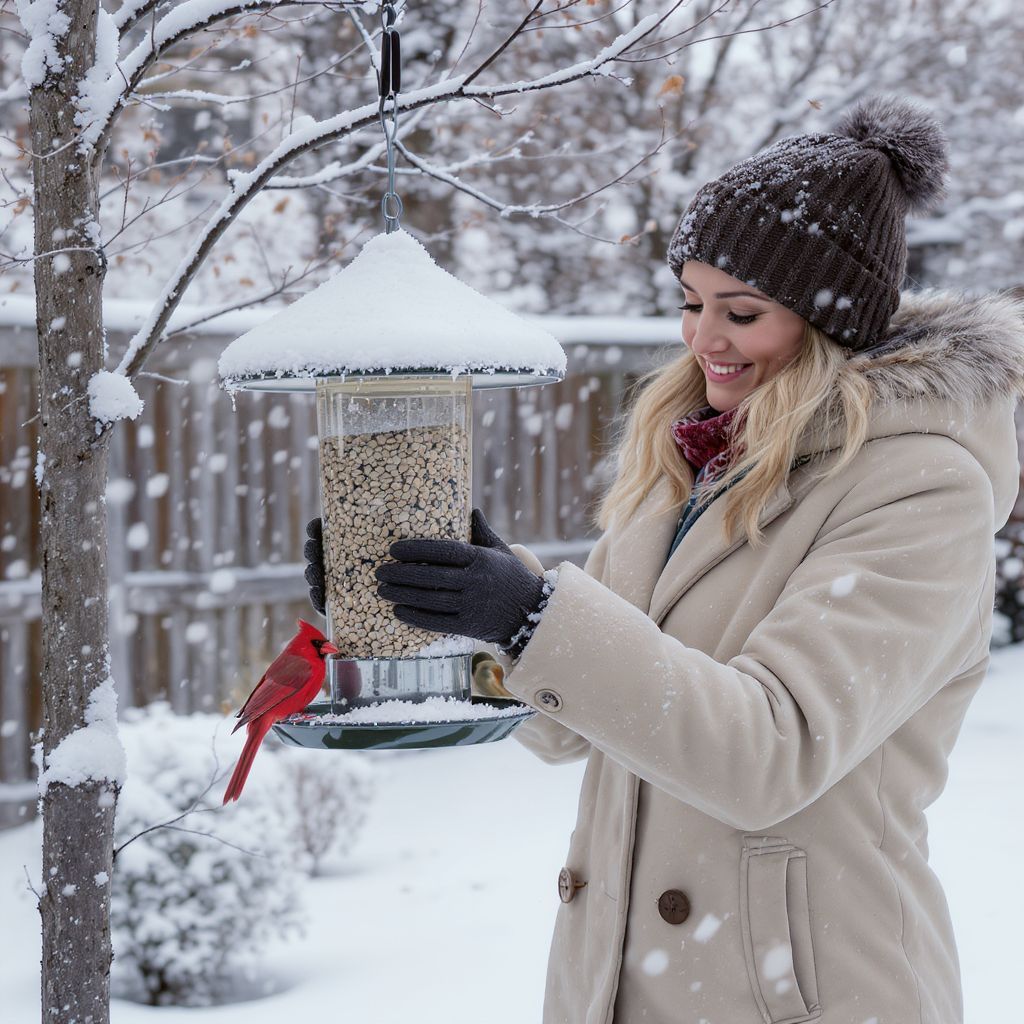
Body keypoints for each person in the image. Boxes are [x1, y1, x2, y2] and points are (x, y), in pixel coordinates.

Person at [309, 95, 1024, 1023]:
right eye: (691, 302)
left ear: (831, 323)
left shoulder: (922, 489)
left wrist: (530, 617)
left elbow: (768, 752)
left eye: (742, 311)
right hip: (623, 985)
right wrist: (463, 605)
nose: (703, 338)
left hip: (806, 992)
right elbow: (575, 727)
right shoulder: (694, 460)